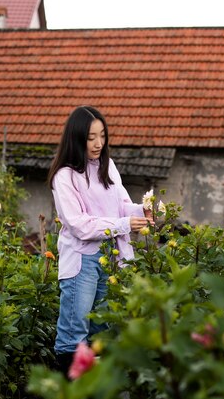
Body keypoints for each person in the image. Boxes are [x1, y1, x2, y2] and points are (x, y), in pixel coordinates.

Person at [47, 105, 154, 376]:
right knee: (75, 331)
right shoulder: (65, 176)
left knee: (101, 329)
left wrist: (143, 211)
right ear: (76, 138)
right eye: (91, 137)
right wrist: (122, 224)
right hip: (82, 260)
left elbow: (121, 207)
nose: (98, 144)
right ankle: (69, 398)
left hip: (110, 257)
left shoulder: (107, 166)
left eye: (102, 136)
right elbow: (79, 225)